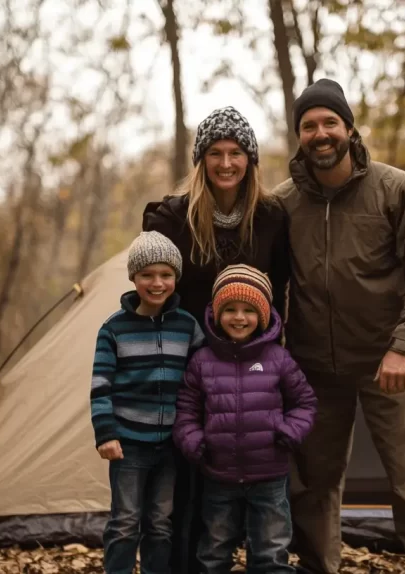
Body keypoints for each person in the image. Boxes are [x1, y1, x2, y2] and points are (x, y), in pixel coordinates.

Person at [273, 78, 405, 574]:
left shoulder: (397, 190)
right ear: (299, 135)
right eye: (309, 125)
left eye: (329, 123)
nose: (320, 133)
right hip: (314, 369)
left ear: (349, 128)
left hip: (389, 362)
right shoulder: (283, 204)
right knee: (314, 482)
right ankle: (319, 567)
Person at [142, 106, 290, 573]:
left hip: (251, 370)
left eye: (236, 153)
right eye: (215, 153)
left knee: (251, 487)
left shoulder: (270, 217)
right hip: (187, 368)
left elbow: (281, 294)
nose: (226, 163)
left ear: (251, 159)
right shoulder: (172, 217)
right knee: (186, 480)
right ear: (201, 160)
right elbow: (154, 287)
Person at [173, 264, 316, 574]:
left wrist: (291, 430)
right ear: (217, 313)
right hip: (218, 475)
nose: (239, 317)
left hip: (270, 476)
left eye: (249, 310)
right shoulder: (202, 360)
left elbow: (304, 403)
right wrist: (193, 440)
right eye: (231, 309)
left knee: (271, 550)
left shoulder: (278, 359)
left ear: (262, 315)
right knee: (213, 549)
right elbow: (186, 409)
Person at [90, 230, 205, 574]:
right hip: (128, 446)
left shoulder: (187, 326)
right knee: (125, 522)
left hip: (170, 445)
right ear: (134, 278)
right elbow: (100, 385)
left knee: (160, 523)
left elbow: (201, 378)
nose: (157, 283)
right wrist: (106, 434)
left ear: (176, 278)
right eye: (147, 275)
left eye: (166, 275)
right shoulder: (114, 329)